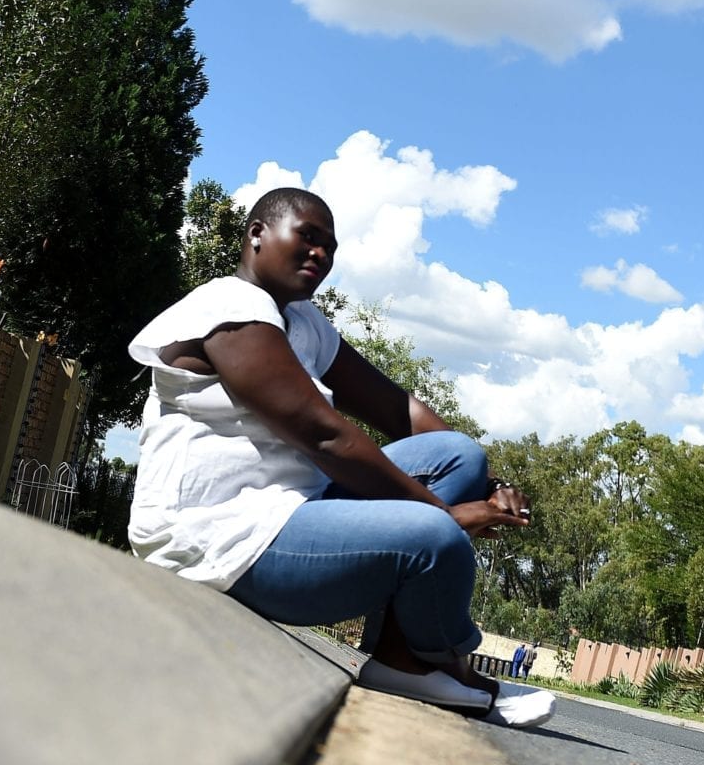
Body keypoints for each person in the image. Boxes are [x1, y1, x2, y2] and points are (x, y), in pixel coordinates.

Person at [126, 187, 553, 728]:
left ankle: (403, 659)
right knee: (434, 537)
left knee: (458, 456)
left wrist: (489, 488)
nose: (320, 256)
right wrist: (446, 515)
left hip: (290, 514)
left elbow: (398, 408)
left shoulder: (301, 322)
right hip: (217, 536)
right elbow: (323, 436)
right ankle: (446, 663)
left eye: (329, 247)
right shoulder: (229, 310)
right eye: (307, 237)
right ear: (256, 234)